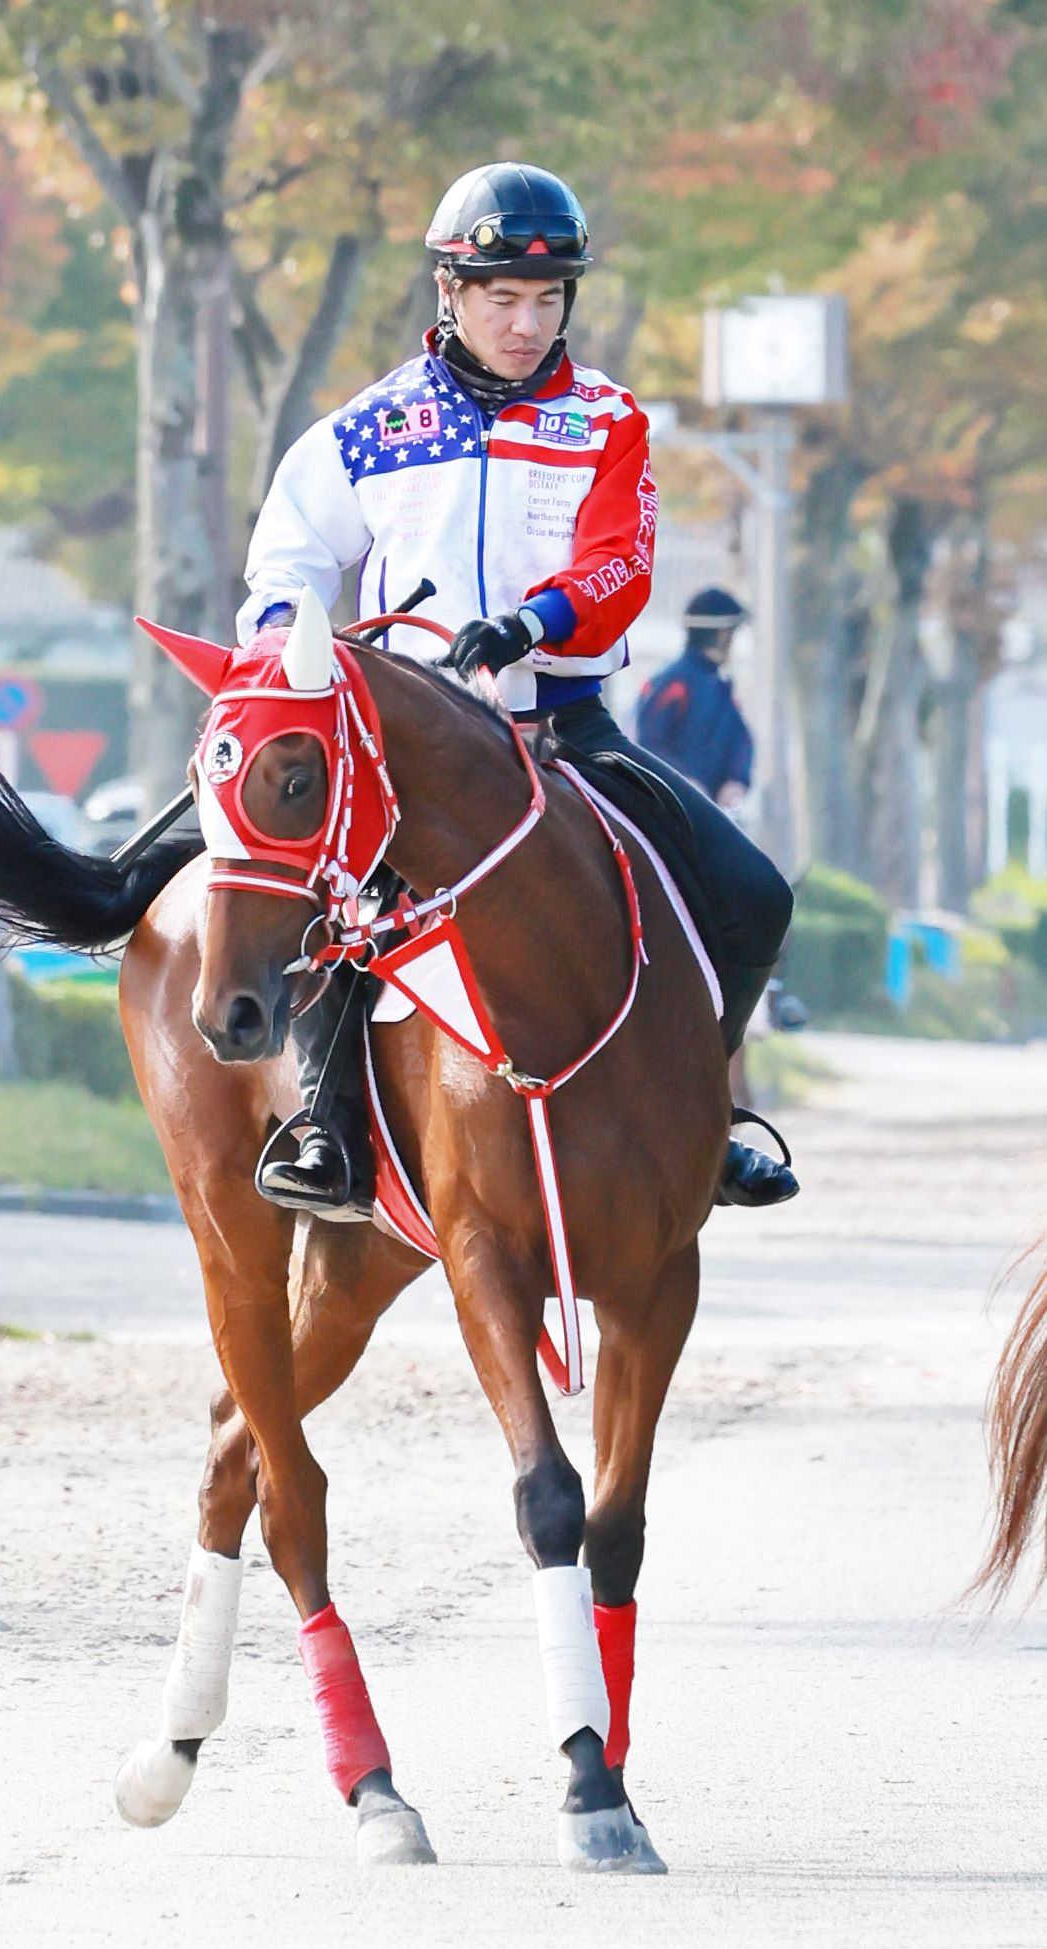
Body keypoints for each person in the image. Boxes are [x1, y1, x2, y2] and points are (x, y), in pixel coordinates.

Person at [237, 161, 798, 1218]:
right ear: (449, 293)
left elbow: (619, 565)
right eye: (502, 298)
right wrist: (288, 653)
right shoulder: (367, 429)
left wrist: (532, 624)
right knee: (317, 894)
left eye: (548, 299)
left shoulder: (608, 422)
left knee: (753, 891)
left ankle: (706, 1113)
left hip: (564, 727)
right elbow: (288, 563)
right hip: (401, 742)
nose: (527, 322)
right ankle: (323, 1119)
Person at [635, 587, 753, 808]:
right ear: (721, 635)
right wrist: (683, 782)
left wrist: (737, 780)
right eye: (731, 633)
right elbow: (649, 744)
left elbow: (741, 741)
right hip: (673, 810)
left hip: (712, 811)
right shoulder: (673, 683)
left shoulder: (720, 685)